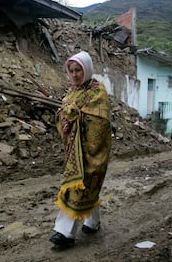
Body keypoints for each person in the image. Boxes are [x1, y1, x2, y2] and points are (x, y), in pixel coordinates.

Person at [50, 51, 112, 248]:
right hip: (75, 151)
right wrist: (66, 117)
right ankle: (93, 222)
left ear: (87, 69)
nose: (75, 74)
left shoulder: (97, 92)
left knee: (77, 186)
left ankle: (64, 233)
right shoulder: (71, 92)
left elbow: (100, 122)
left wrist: (76, 117)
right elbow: (64, 114)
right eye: (72, 70)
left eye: (79, 70)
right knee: (88, 187)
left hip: (93, 151)